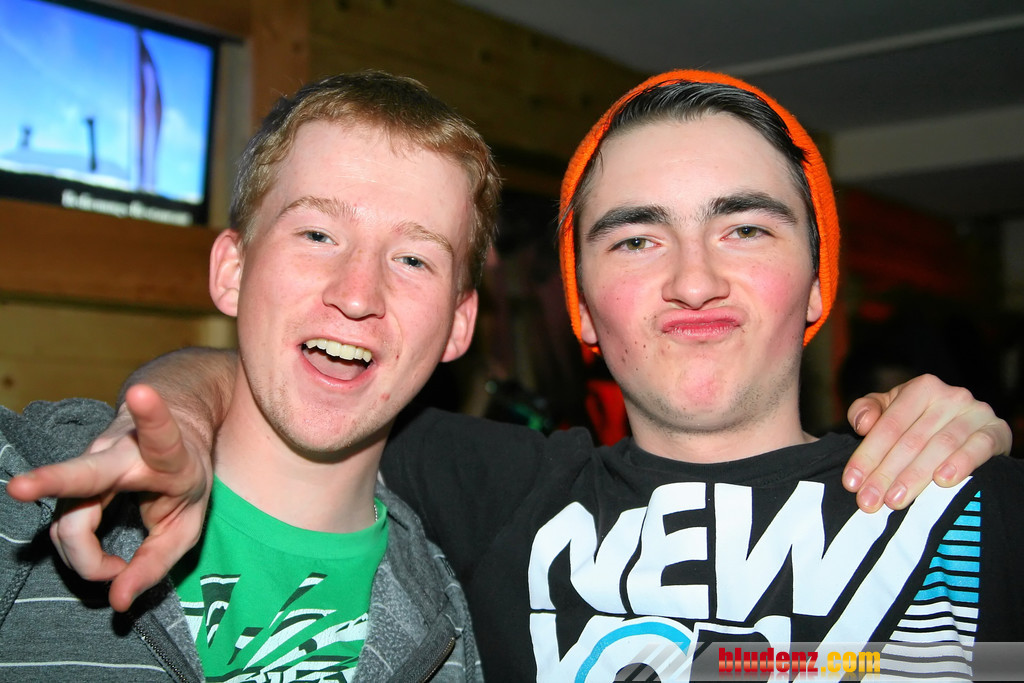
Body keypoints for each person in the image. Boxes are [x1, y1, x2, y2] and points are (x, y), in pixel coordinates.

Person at [8, 71, 1016, 681]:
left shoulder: (980, 505)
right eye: (635, 238)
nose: (693, 278)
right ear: (580, 306)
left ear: (818, 279)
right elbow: (289, 375)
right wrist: (182, 400)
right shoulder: (500, 497)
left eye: (745, 227)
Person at [0, 70, 498, 681]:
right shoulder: (21, 492)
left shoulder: (452, 637)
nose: (357, 295)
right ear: (233, 271)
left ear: (458, 324)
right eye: (318, 234)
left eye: (413, 259)